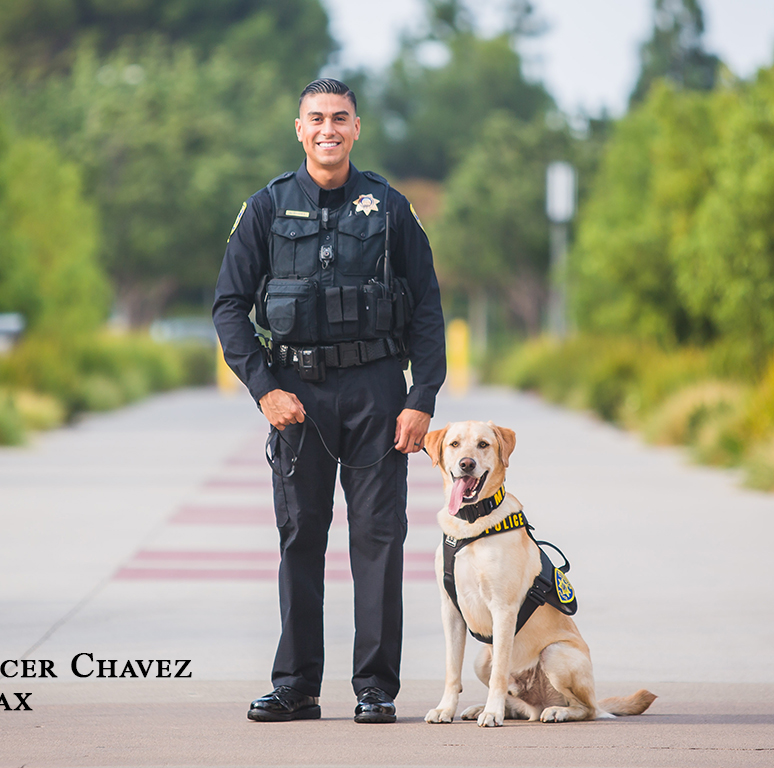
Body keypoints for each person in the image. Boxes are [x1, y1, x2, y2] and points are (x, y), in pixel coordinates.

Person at [212, 78, 446, 724]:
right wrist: (264, 390)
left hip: (375, 391)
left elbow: (426, 306)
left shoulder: (390, 208)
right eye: (316, 118)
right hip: (297, 397)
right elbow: (229, 306)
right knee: (300, 539)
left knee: (378, 540)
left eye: (339, 118)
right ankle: (296, 686)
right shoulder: (266, 207)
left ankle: (376, 688)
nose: (328, 130)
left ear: (357, 127)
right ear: (298, 128)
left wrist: (421, 397)